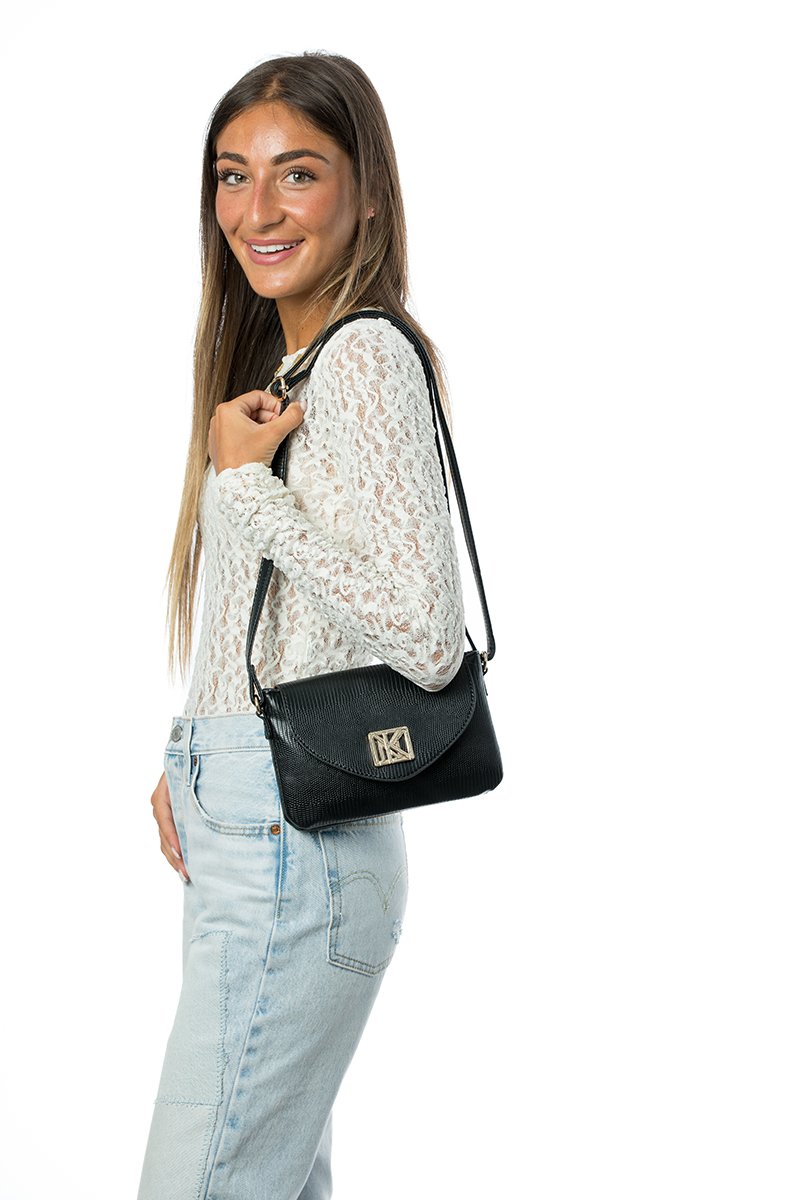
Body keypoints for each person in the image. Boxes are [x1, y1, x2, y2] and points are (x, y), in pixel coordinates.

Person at [137, 52, 465, 1200]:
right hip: (258, 824)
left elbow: (424, 637)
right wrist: (195, 750)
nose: (256, 211)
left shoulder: (365, 355)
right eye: (233, 175)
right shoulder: (290, 367)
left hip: (293, 836)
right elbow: (277, 617)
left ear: (365, 193)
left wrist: (244, 487)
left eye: (297, 173)